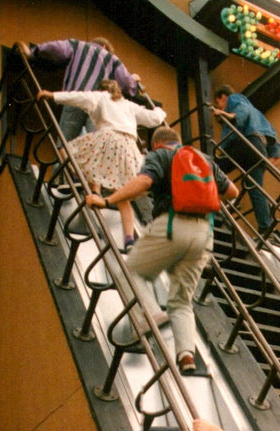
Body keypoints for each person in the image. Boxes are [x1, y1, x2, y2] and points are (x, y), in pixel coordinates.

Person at [85, 126, 237, 375]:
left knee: (128, 271)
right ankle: (186, 354)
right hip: (204, 234)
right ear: (177, 140)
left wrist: (107, 200)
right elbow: (232, 191)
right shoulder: (203, 159)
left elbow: (145, 180)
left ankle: (151, 314)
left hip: (171, 225)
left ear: (156, 144)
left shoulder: (159, 156)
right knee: (181, 300)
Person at [38, 79, 166, 250]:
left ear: (101, 89)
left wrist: (52, 96)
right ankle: (129, 240)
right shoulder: (128, 105)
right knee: (123, 196)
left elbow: (77, 97)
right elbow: (154, 118)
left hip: (108, 139)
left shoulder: (100, 96)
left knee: (68, 151)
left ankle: (88, 185)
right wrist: (159, 110)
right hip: (129, 148)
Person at [18, 36, 143, 140]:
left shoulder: (77, 45)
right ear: (105, 47)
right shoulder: (112, 58)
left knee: (65, 144)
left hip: (74, 99)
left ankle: (61, 169)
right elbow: (128, 83)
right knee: (94, 145)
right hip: (97, 106)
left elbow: (57, 48)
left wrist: (33, 51)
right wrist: (135, 81)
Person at [212, 85, 280, 234]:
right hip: (259, 149)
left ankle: (227, 198)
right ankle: (266, 227)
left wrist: (229, 115)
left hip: (244, 144)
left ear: (222, 97)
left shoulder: (235, 99)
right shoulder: (260, 116)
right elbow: (273, 133)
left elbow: (242, 109)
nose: (219, 107)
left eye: (218, 104)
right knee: (255, 189)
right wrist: (273, 155)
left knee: (212, 167)